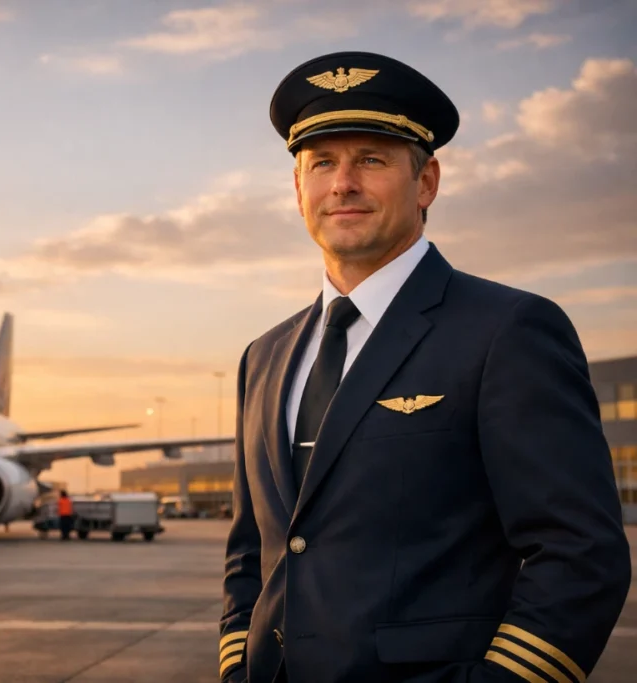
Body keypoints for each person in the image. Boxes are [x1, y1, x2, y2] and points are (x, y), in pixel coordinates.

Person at [219, 51, 631, 683]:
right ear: (297, 188)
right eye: (321, 162)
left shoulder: (506, 330)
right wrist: (237, 667)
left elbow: (580, 555)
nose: (343, 183)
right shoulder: (264, 356)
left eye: (372, 160)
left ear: (428, 182)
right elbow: (254, 551)